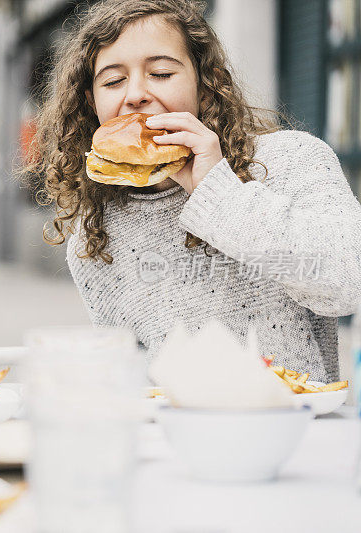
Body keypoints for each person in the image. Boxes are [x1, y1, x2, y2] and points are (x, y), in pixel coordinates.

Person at [27, 0, 361, 382]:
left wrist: (216, 190)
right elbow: (131, 372)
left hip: (291, 429)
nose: (135, 94)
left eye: (162, 73)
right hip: (176, 433)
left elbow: (345, 284)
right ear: (92, 103)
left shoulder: (292, 160)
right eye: (113, 81)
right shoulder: (94, 238)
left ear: (206, 86)